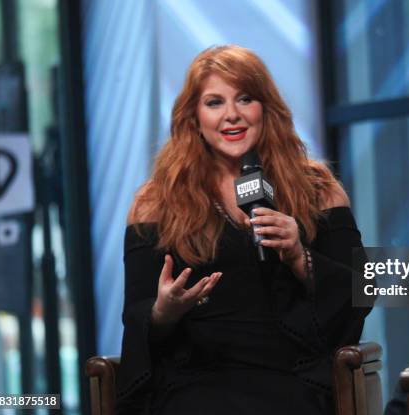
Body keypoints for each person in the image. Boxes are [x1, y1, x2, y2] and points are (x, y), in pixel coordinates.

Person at [115, 45, 370, 414]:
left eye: (245, 98)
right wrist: (162, 313)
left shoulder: (318, 189)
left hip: (292, 377)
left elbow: (360, 294)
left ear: (266, 108)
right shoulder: (156, 201)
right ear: (194, 118)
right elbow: (135, 315)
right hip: (197, 381)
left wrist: (300, 256)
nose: (231, 115)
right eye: (214, 102)